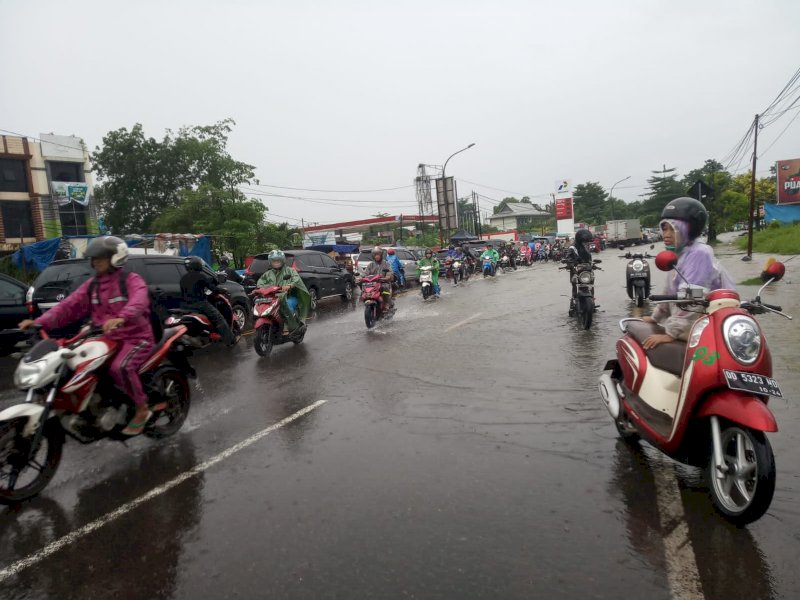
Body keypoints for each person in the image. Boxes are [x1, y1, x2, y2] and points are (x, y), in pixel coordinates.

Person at [19, 236, 155, 436]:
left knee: (121, 367)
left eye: (101, 257)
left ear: (115, 257)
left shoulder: (131, 280)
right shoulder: (92, 285)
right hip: (103, 337)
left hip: (135, 337)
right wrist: (41, 321)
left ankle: (142, 409)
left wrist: (122, 317)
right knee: (73, 362)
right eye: (94, 258)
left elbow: (139, 300)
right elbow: (68, 306)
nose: (95, 261)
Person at [642, 197, 735, 349]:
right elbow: (670, 293)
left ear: (689, 229)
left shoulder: (699, 253)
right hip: (694, 325)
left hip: (708, 325)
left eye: (673, 228)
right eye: (664, 228)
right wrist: (655, 317)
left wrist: (670, 334)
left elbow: (692, 298)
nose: (666, 234)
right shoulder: (680, 255)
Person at [180, 256, 235, 346]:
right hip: (200, 304)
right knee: (219, 319)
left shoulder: (183, 278)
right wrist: (223, 290)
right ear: (198, 265)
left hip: (185, 305)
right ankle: (230, 340)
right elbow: (213, 288)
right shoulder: (201, 276)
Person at [256, 250, 312, 334]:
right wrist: (261, 288)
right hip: (273, 298)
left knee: (288, 305)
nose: (276, 263)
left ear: (282, 261)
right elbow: (260, 283)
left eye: (278, 261)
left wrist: (289, 286)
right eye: (274, 261)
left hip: (289, 296)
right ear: (270, 262)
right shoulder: (267, 274)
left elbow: (296, 279)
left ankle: (288, 326)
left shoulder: (290, 270)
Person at [564, 229, 594, 316]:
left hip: (586, 271)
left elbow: (589, 258)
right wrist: (570, 264)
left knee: (592, 282)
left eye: (586, 241)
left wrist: (593, 264)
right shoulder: (572, 248)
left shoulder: (586, 247)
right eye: (584, 241)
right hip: (576, 270)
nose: (585, 242)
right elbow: (568, 258)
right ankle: (574, 299)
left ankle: (592, 299)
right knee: (574, 283)